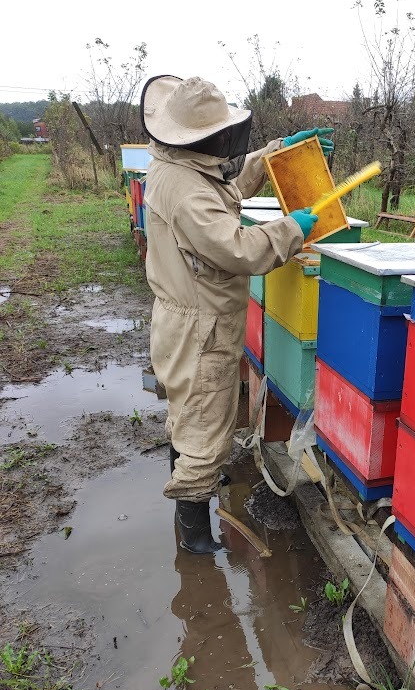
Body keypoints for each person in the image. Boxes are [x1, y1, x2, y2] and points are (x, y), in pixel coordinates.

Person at [140, 75, 333, 555]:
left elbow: (225, 184)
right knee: (205, 429)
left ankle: (189, 490)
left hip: (184, 317)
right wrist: (293, 229)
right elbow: (238, 249)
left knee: (188, 416)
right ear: (199, 138)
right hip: (200, 328)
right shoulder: (185, 191)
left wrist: (273, 155)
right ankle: (196, 539)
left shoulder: (176, 165)